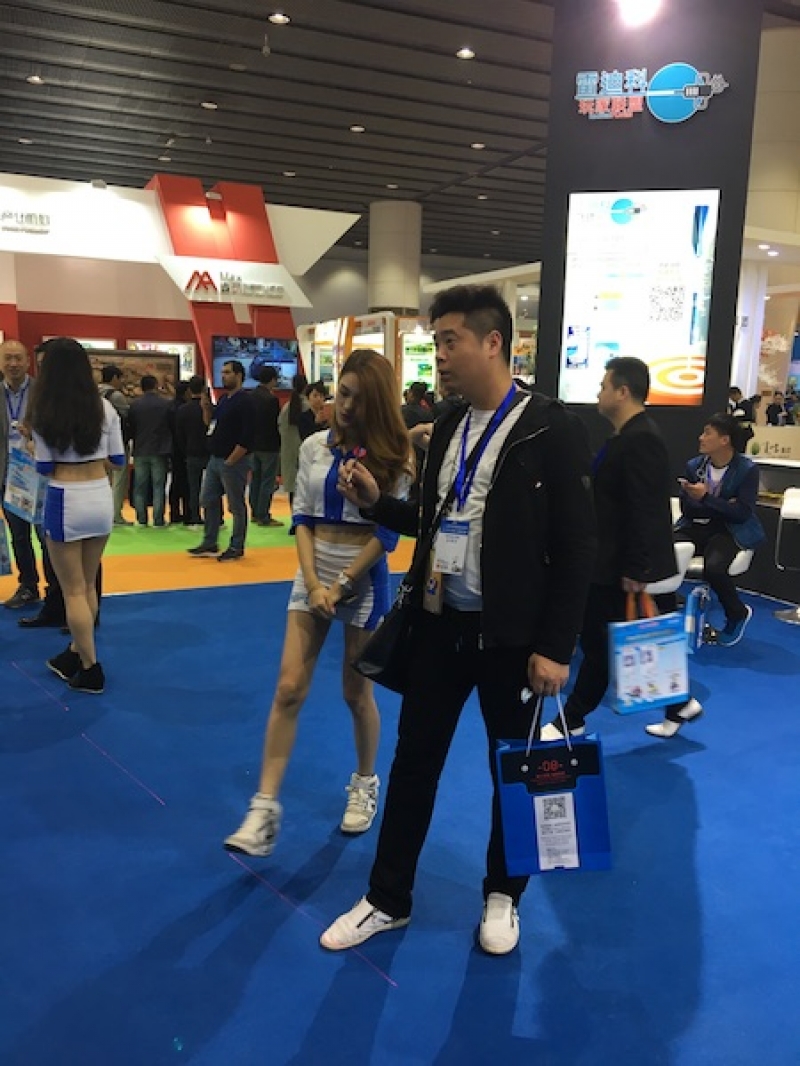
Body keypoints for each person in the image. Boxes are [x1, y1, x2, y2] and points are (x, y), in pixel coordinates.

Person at [319, 285, 596, 956]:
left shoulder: (551, 428)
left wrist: (556, 646)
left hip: (515, 640)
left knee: (514, 768)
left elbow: (577, 546)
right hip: (440, 627)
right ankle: (387, 898)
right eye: (436, 342)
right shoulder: (447, 426)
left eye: (450, 341)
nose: (438, 355)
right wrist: (378, 503)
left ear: (493, 343)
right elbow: (433, 519)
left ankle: (504, 894)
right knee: (414, 763)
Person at [224, 349, 414, 856]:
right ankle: (264, 808)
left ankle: (365, 782)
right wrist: (313, 583)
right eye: (341, 393)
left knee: (356, 693)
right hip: (311, 576)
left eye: (358, 398)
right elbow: (302, 518)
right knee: (289, 687)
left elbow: (388, 533)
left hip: (363, 580)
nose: (345, 405)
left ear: (378, 402)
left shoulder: (395, 456)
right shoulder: (312, 446)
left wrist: (343, 582)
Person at [538, 357, 702, 743]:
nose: (599, 393)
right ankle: (679, 704)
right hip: (609, 561)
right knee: (616, 640)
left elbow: (646, 509)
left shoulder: (641, 438)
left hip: (618, 566)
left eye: (603, 386)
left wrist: (636, 568)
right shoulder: (626, 436)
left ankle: (572, 719)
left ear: (623, 391)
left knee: (600, 644)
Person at [28, 338, 125, 694]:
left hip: (64, 498)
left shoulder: (44, 412)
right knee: (86, 584)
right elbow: (118, 460)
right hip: (100, 496)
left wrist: (30, 444)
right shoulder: (105, 408)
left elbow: (44, 467)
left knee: (72, 590)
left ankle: (90, 668)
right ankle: (75, 652)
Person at [673, 412, 765, 647]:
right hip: (696, 526)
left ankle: (737, 614)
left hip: (730, 530)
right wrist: (723, 505)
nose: (701, 438)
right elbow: (688, 508)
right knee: (662, 548)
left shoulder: (747, 470)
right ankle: (667, 603)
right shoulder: (694, 466)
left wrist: (705, 498)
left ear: (724, 440)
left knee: (714, 568)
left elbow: (742, 513)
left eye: (707, 433)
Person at [187, 359, 253, 561]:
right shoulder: (224, 399)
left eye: (227, 372)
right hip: (216, 458)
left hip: (233, 460)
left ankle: (236, 546)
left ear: (238, 375)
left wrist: (233, 459)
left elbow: (248, 435)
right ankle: (210, 541)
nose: (223, 376)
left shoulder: (245, 401)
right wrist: (206, 408)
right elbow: (211, 424)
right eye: (222, 372)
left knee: (236, 505)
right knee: (208, 499)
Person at [1, 339, 42, 608]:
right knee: (18, 535)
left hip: (39, 473)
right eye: (8, 358)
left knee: (47, 536)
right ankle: (28, 585)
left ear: (28, 362)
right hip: (7, 475)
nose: (13, 363)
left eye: (18, 358)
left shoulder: (43, 392)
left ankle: (56, 588)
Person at [128, 375, 172, 526]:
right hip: (160, 449)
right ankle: (158, 519)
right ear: (155, 385)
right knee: (158, 486)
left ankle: (141, 518)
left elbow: (131, 427)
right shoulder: (165, 404)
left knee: (140, 486)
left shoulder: (135, 405)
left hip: (140, 448)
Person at [98, 364, 132, 526]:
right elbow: (127, 415)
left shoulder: (93, 393)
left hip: (97, 444)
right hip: (116, 442)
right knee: (119, 478)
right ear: (114, 378)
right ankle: (115, 514)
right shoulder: (116, 396)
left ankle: (101, 512)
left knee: (101, 479)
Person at [249, 365, 282, 527]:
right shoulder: (271, 400)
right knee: (267, 481)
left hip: (253, 444)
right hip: (269, 445)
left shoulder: (251, 396)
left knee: (255, 479)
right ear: (273, 380)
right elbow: (275, 424)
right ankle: (263, 515)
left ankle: (255, 512)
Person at [175, 375, 210, 528]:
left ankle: (194, 516)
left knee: (193, 487)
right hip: (208, 452)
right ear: (204, 388)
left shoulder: (182, 410)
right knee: (212, 487)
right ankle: (215, 517)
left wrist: (185, 450)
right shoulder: (209, 408)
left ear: (189, 389)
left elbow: (179, 434)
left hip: (191, 452)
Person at [277, 373, 308, 536]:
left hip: (288, 452)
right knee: (305, 489)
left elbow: (280, 428)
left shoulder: (286, 408)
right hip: (304, 453)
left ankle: (294, 521)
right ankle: (303, 522)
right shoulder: (307, 407)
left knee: (292, 489)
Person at [167, 380, 191, 525]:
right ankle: (187, 513)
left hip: (173, 448)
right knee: (186, 482)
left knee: (176, 481)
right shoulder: (185, 408)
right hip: (184, 448)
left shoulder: (170, 407)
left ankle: (174, 513)